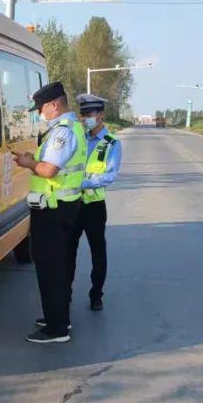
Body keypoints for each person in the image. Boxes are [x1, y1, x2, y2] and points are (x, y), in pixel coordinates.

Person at [12, 81, 87, 344]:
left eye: (42, 108)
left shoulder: (62, 132)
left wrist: (28, 163)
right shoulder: (69, 128)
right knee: (60, 265)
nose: (39, 113)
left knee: (51, 267)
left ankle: (56, 329)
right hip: (62, 208)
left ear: (54, 105)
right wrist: (34, 159)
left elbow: (48, 170)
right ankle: (58, 317)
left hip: (54, 211)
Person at [71, 93, 122, 311]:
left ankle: (96, 294)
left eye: (89, 114)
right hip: (72, 204)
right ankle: (65, 294)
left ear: (100, 115)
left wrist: (84, 183)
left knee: (98, 252)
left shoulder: (111, 143)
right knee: (67, 251)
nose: (84, 119)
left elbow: (110, 175)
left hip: (94, 206)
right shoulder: (79, 139)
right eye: (82, 115)